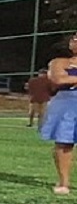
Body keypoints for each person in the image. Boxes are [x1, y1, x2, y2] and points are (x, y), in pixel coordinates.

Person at [41, 33, 77, 194]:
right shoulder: (59, 62)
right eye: (74, 39)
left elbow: (66, 79)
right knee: (64, 142)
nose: (74, 42)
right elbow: (58, 80)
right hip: (67, 103)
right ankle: (64, 182)